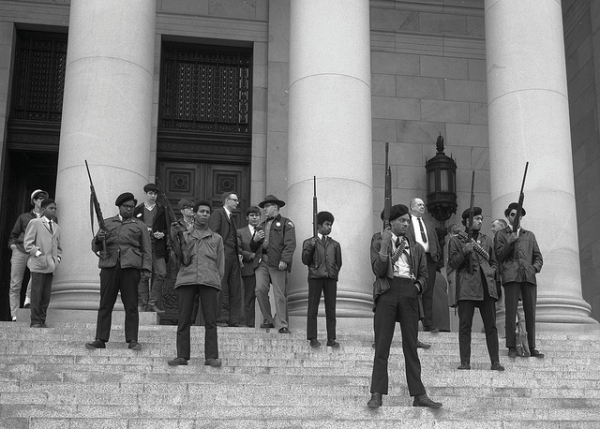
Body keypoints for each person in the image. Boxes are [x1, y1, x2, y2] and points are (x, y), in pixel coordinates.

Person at [367, 204, 442, 409]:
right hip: (387, 290)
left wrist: (417, 287)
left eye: (408, 221)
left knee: (411, 346)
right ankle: (377, 393)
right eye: (402, 220)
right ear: (391, 222)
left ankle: (419, 395)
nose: (406, 224)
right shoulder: (377, 241)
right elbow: (379, 270)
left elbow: (425, 275)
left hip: (409, 291)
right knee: (382, 345)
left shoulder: (416, 247)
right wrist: (384, 244)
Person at [85, 192, 152, 351]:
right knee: (106, 303)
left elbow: (147, 250)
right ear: (119, 207)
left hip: (130, 267)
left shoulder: (139, 225)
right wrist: (99, 239)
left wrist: (146, 269)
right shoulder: (106, 223)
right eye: (126, 207)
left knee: (131, 305)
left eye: (131, 207)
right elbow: (95, 247)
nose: (129, 209)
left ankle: (133, 339)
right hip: (110, 265)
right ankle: (100, 338)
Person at [168, 200, 224, 367]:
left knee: (211, 321)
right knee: (184, 319)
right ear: (194, 213)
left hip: (209, 281)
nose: (205, 214)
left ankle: (211, 356)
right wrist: (174, 239)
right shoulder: (184, 236)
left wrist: (216, 280)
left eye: (207, 212)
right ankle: (182, 356)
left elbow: (221, 264)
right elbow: (176, 260)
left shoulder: (217, 238)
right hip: (187, 279)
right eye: (201, 211)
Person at [448, 207, 504, 371]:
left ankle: (495, 361)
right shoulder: (457, 240)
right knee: (465, 325)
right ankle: (465, 361)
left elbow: (494, 262)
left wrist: (492, 271)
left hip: (487, 285)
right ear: (467, 221)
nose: (481, 221)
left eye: (481, 218)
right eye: (477, 218)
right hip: (467, 286)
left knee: (491, 326)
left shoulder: (487, 240)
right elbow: (452, 264)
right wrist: (464, 252)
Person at [495, 202, 544, 358]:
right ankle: (511, 347)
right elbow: (498, 256)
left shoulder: (529, 235)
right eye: (512, 214)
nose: (515, 217)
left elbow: (538, 257)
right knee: (510, 312)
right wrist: (510, 241)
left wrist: (533, 268)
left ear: (521, 216)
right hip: (511, 276)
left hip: (528, 276)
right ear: (508, 216)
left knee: (531, 313)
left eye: (518, 214)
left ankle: (532, 346)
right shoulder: (501, 234)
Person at [250, 195, 296, 334]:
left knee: (279, 293)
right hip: (261, 261)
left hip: (277, 261)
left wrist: (285, 260)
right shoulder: (261, 225)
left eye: (267, 206)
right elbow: (253, 247)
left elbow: (290, 244)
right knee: (259, 290)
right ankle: (268, 319)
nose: (264, 209)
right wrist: (255, 240)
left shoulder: (286, 223)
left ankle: (282, 323)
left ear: (275, 207)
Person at [301, 211, 342, 348]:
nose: (329, 227)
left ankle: (331, 338)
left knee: (331, 309)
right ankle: (312, 337)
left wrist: (333, 272)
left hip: (330, 278)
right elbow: (305, 260)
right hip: (315, 277)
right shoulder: (309, 242)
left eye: (330, 225)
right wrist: (311, 247)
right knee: (313, 308)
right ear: (319, 226)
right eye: (326, 224)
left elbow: (338, 262)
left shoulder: (335, 244)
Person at [8, 189, 49, 321]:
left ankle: (28, 298)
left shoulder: (47, 218)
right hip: (20, 250)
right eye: (40, 197)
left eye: (44, 198)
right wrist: (13, 246)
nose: (42, 200)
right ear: (34, 201)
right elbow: (13, 235)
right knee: (15, 283)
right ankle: (14, 315)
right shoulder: (24, 217)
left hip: (36, 252)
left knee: (36, 276)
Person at [23, 198, 61, 328]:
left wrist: (58, 259)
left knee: (45, 296)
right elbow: (28, 243)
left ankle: (42, 320)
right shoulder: (35, 222)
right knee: (36, 294)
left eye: (55, 208)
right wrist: (38, 254)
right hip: (39, 264)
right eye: (51, 208)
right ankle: (35, 320)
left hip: (51, 265)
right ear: (43, 209)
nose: (54, 210)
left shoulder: (56, 227)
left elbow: (58, 247)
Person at [406, 197, 442, 333]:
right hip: (414, 259)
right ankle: (413, 322)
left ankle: (428, 323)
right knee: (414, 290)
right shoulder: (407, 222)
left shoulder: (429, 223)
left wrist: (437, 254)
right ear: (412, 207)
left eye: (423, 205)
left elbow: (435, 241)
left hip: (429, 259)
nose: (423, 207)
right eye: (419, 205)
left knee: (428, 291)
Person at [208, 191, 242, 327]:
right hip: (223, 255)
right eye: (234, 200)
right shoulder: (218, 213)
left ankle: (234, 320)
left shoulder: (231, 217)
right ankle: (216, 319)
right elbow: (214, 234)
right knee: (220, 286)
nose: (237, 203)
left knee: (235, 288)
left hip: (233, 256)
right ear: (227, 201)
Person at [133, 183, 168, 313]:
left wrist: (163, 233)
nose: (153, 196)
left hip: (157, 245)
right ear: (145, 194)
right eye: (150, 193)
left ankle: (152, 302)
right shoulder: (137, 210)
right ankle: (143, 303)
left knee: (161, 272)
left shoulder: (162, 209)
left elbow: (169, 227)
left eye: (155, 193)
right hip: (142, 246)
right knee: (144, 275)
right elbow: (132, 227)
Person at [237, 205, 262, 328]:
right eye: (252, 215)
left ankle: (267, 321)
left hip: (263, 268)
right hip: (249, 269)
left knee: (263, 295)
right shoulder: (240, 232)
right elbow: (238, 249)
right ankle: (249, 324)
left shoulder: (264, 231)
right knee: (249, 298)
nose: (254, 218)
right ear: (247, 217)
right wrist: (251, 255)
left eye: (257, 215)